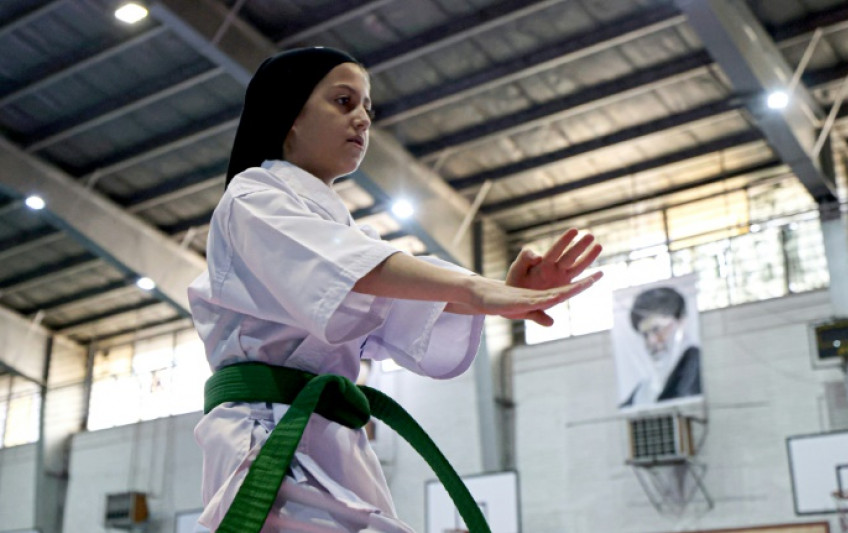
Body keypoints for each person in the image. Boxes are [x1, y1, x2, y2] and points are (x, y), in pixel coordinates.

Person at [187, 47, 602, 532]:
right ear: (289, 114)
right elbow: (356, 272)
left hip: (332, 436)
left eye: (368, 108)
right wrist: (478, 289)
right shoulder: (252, 197)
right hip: (267, 432)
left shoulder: (340, 229)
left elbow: (391, 299)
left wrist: (498, 295)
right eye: (343, 102)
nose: (363, 119)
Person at [619, 287, 701, 408]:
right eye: (645, 335)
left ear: (681, 321)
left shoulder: (697, 365)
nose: (651, 341)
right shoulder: (647, 385)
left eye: (657, 329)